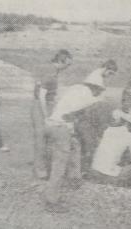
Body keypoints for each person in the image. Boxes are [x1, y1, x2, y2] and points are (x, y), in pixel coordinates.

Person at [42, 60, 116, 213]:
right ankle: (51, 200)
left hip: (52, 124)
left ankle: (74, 178)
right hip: (59, 127)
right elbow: (74, 116)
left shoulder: (76, 89)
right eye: (98, 90)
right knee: (59, 165)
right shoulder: (89, 97)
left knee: (75, 145)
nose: (98, 92)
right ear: (94, 87)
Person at [32, 49, 72, 179]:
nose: (68, 67)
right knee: (41, 138)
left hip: (46, 104)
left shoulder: (51, 70)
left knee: (46, 138)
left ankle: (45, 167)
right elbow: (42, 96)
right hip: (41, 106)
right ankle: (40, 171)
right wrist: (46, 116)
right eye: (67, 64)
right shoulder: (50, 73)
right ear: (61, 61)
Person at [88, 109, 131, 187]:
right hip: (109, 175)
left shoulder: (108, 130)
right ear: (127, 124)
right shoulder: (130, 136)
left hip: (94, 170)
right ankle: (128, 183)